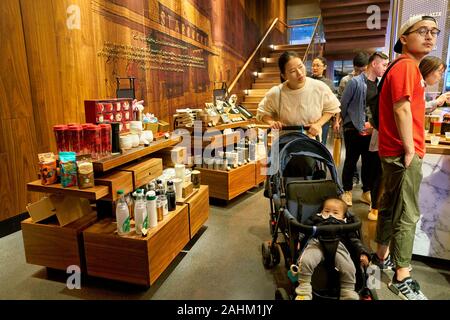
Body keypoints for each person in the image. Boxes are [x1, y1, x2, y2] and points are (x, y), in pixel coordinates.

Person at [373, 15, 440, 300]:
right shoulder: (407, 67)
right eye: (422, 31)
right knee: (408, 213)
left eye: (433, 32)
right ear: (404, 37)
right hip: (402, 153)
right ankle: (402, 274)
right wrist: (411, 148)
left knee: (389, 206)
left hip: (393, 150)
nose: (429, 36)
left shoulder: (400, 67)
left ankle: (380, 256)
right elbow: (401, 109)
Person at [295, 198, 370, 300]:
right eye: (326, 211)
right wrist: (299, 240)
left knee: (349, 267)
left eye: (335, 213)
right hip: (317, 243)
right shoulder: (316, 219)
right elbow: (304, 229)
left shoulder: (346, 224)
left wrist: (362, 252)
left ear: (344, 216)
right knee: (306, 261)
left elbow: (354, 240)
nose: (330, 215)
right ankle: (304, 289)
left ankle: (347, 291)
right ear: (321, 211)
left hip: (339, 246)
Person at [339, 52, 389, 207]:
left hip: (372, 130)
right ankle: (347, 191)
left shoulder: (380, 84)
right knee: (351, 160)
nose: (385, 68)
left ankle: (366, 192)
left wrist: (372, 125)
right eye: (384, 64)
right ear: (374, 64)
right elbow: (344, 104)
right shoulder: (355, 82)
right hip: (353, 128)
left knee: (370, 162)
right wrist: (354, 123)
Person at [256, 51, 341, 139]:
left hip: (312, 142)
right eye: (293, 71)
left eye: (300, 66)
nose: (300, 73)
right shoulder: (276, 92)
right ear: (284, 76)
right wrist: (272, 122)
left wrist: (318, 124)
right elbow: (262, 113)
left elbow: (332, 108)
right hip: (285, 144)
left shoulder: (319, 87)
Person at [336, 52, 370, 185]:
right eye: (357, 70)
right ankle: (349, 183)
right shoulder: (347, 80)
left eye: (362, 70)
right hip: (350, 123)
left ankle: (365, 187)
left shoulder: (371, 81)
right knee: (351, 156)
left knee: (367, 157)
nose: (360, 72)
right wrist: (341, 119)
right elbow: (341, 102)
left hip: (367, 123)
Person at [311, 56, 337, 145]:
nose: (314, 68)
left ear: (324, 67)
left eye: (318, 65)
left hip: (323, 120)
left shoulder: (329, 83)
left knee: (321, 144)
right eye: (313, 65)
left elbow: (333, 104)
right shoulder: (307, 80)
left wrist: (335, 121)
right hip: (308, 118)